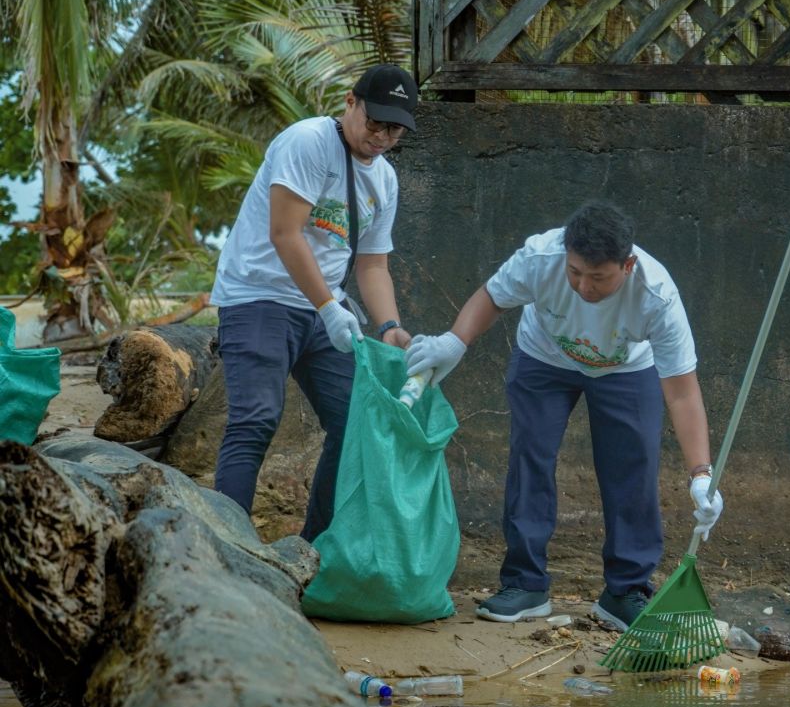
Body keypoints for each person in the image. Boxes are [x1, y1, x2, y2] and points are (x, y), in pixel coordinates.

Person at [405, 201, 725, 630]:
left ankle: (625, 590)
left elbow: (683, 393)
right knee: (530, 456)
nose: (584, 287)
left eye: (599, 277)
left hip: (626, 368)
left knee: (632, 467)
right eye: (576, 272)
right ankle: (524, 583)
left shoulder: (657, 296)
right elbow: (492, 297)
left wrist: (700, 473)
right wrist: (455, 341)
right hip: (544, 358)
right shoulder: (541, 258)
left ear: (627, 265)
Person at [209, 64, 418, 541]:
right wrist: (328, 307)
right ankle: (230, 546)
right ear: (350, 103)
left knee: (355, 424)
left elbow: (372, 265)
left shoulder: (384, 180)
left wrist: (388, 326)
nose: (382, 136)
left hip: (323, 309)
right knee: (256, 417)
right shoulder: (307, 142)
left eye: (395, 129)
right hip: (259, 296)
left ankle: (312, 552)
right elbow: (285, 235)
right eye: (375, 122)